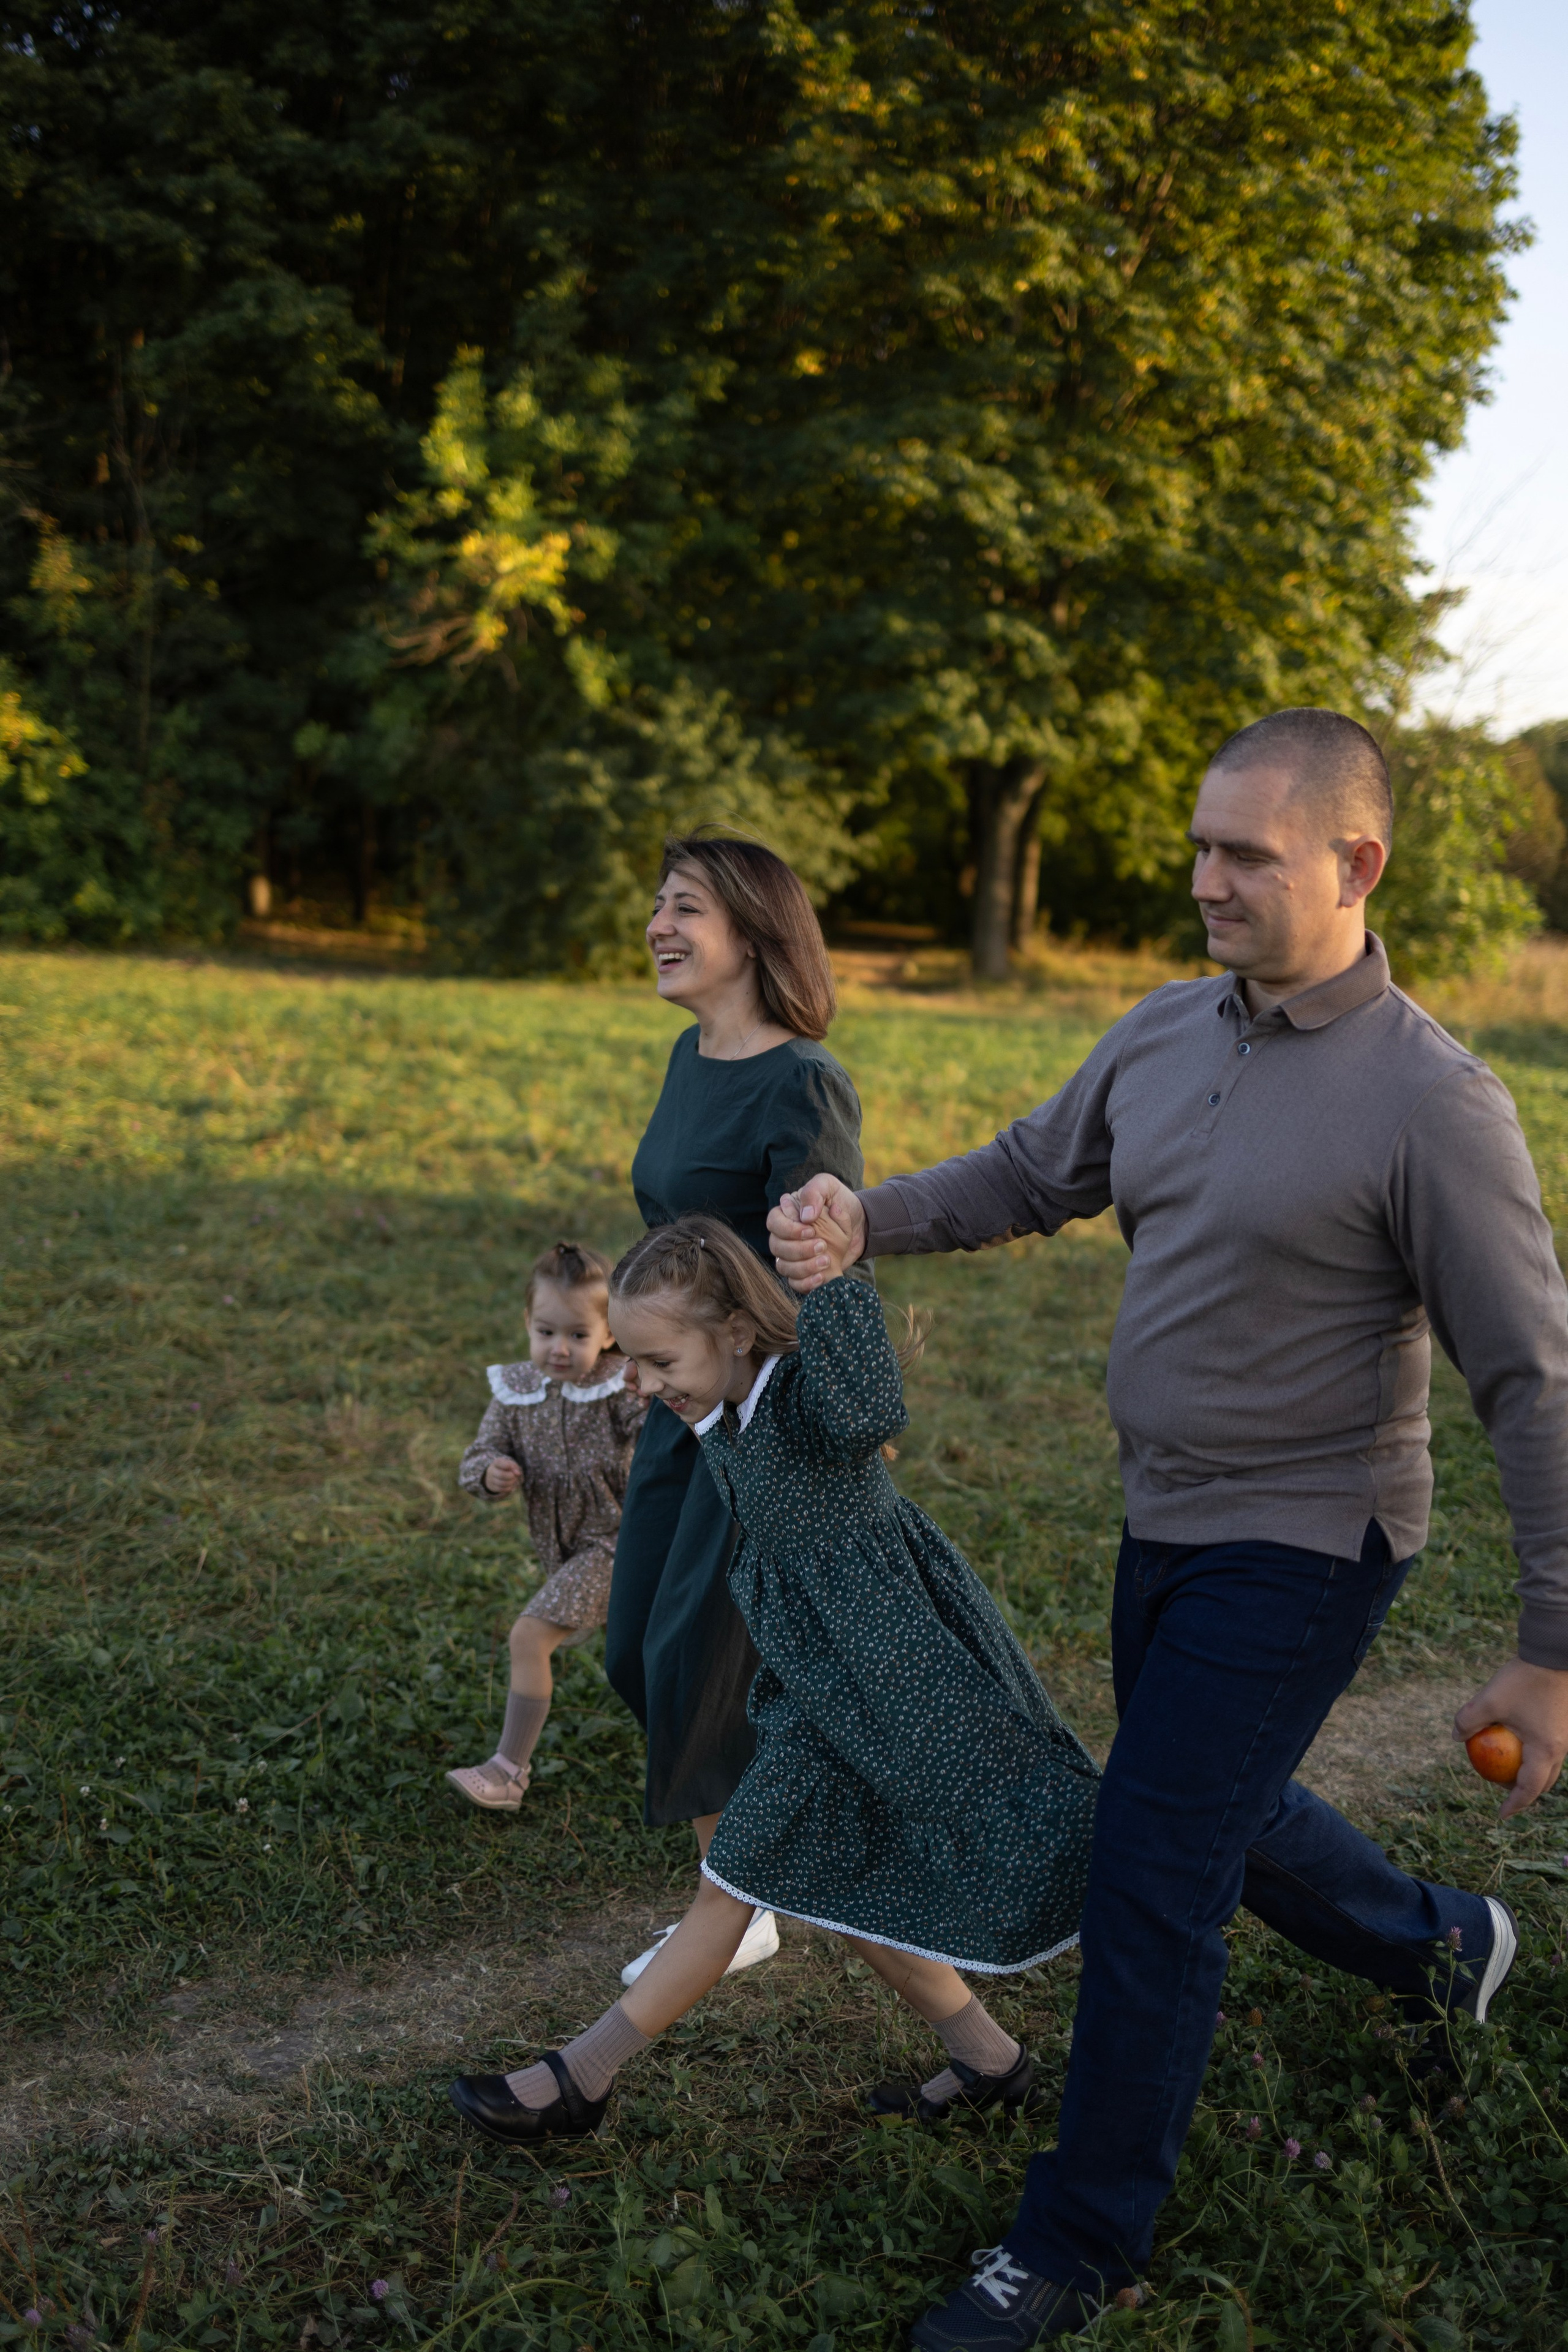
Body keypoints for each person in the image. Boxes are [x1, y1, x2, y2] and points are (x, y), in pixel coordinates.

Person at [768, 706, 1568, 2351]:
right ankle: (1444, 1941)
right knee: (1202, 1801)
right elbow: (1030, 1175)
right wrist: (869, 1220)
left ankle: (1079, 2238)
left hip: (1311, 1537)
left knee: (1152, 1862)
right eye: (1201, 846)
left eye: (1245, 855)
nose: (1206, 878)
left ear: (1358, 865)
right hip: (1167, 1520)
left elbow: (1535, 1386)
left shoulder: (1437, 1103)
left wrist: (1554, 1650)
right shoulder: (1164, 1032)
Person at [447, 1215, 1099, 2147]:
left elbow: (873, 1409)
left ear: (738, 1333)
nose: (637, 1382)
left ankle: (576, 2081)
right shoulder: (717, 1404)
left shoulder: (805, 1399)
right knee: (835, 1880)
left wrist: (835, 1284)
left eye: (656, 1359)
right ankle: (994, 2064)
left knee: (747, 1876)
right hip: (814, 1684)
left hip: (890, 1670)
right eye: (629, 1358)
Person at [605, 832, 869, 1986]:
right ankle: (771, 1861)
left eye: (686, 910)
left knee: (692, 1662)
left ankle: (744, 1896)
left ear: (756, 936)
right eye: (660, 907)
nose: (660, 926)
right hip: (676, 1411)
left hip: (757, 1427)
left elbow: (824, 1265)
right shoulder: (686, 1054)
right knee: (634, 1655)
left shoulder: (802, 1082)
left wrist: (828, 1410)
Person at [447, 1242, 646, 1808]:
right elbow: (479, 1451)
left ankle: (509, 1772)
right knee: (641, 1658)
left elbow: (666, 1430)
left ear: (609, 1332)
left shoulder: (620, 1387)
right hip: (565, 1551)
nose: (560, 1349)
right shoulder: (516, 1391)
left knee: (529, 1635)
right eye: (546, 1332)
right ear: (527, 1325)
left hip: (620, 1544)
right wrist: (488, 1473)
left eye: (579, 1335)